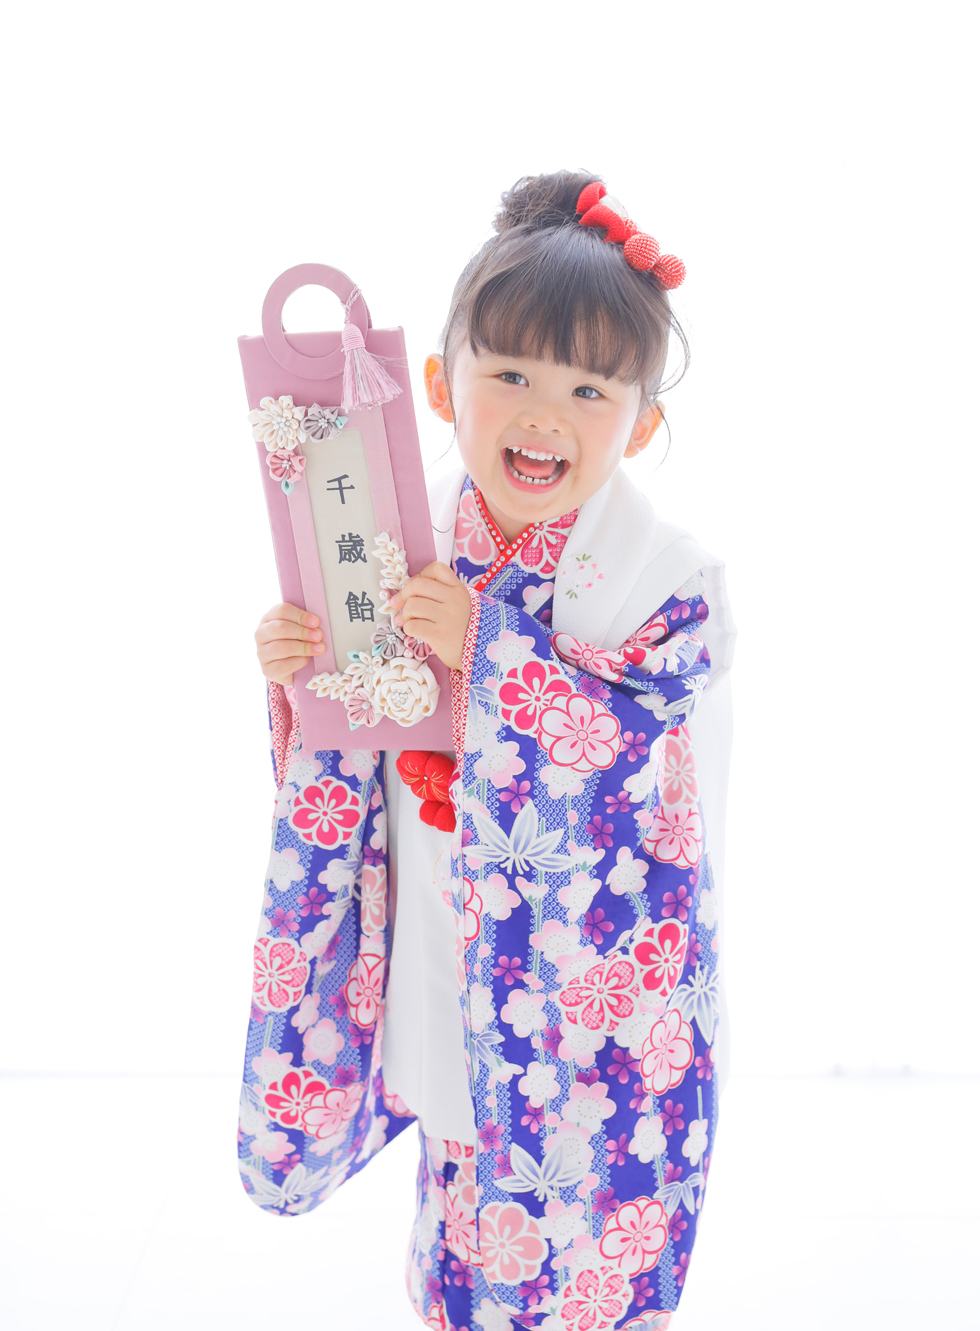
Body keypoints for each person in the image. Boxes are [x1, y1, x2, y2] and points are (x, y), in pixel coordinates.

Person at [241, 170, 736, 1331]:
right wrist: (300, 669)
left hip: (587, 978)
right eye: (508, 373)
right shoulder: (400, 538)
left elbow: (645, 752)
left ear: (640, 423)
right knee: (458, 1169)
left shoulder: (667, 577)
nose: (542, 413)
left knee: (590, 1206)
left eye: (587, 387)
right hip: (445, 929)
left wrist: (493, 651)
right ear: (438, 385)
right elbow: (353, 734)